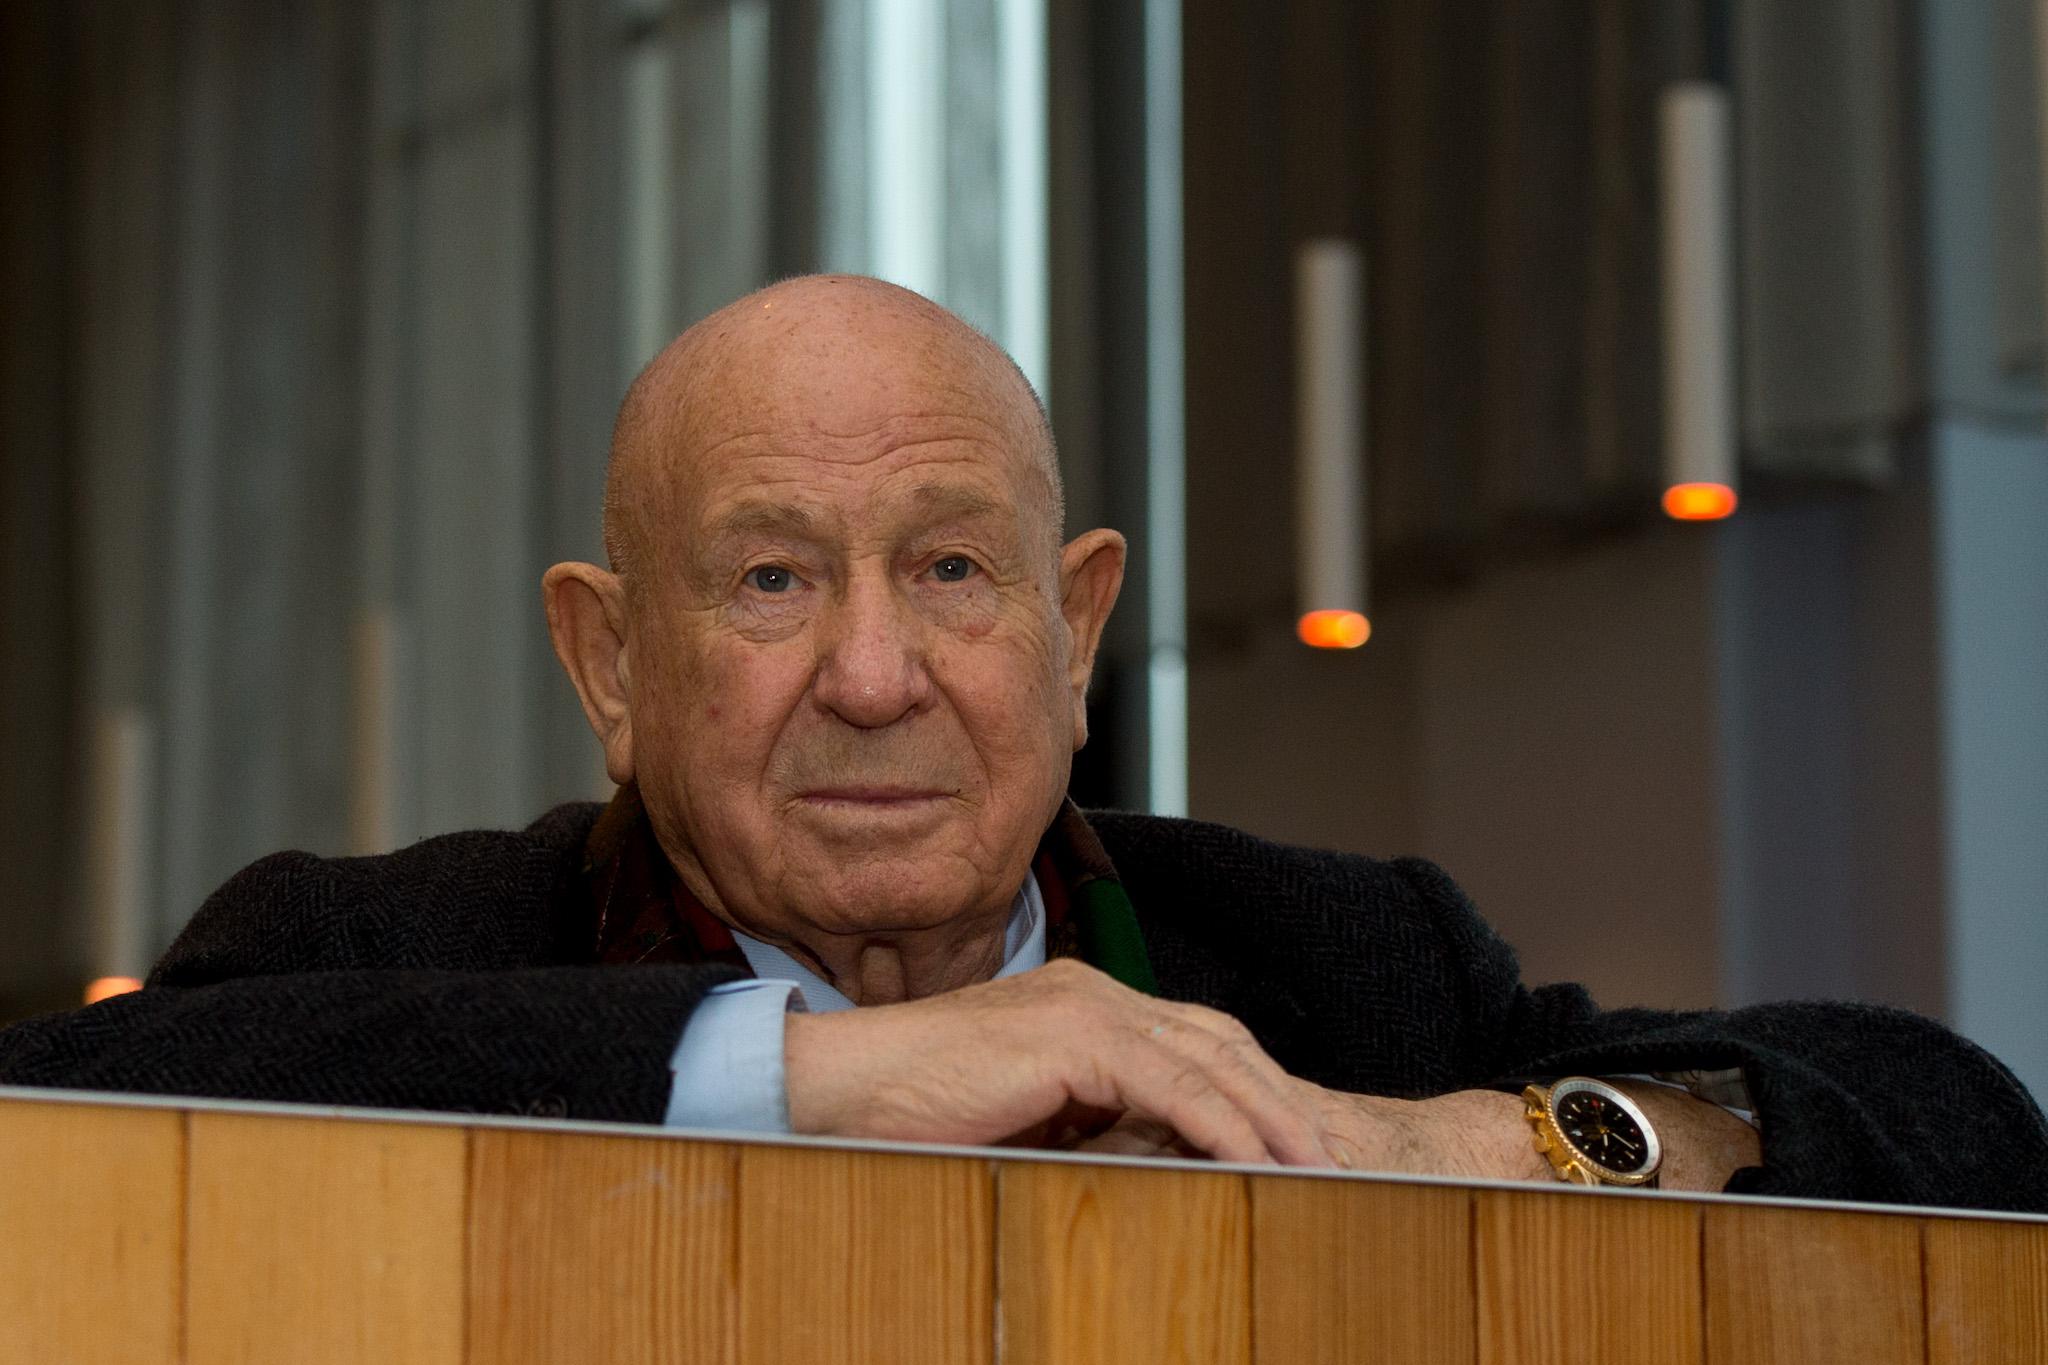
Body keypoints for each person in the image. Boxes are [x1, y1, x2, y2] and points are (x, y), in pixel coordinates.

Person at [3, 276, 2043, 1210]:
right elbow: (59, 1102)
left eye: (956, 571)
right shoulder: (378, 949)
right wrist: (806, 1072)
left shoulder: (1336, 961)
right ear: (610, 661)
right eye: (774, 580)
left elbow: (1955, 1119)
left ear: (1075, 632)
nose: (877, 674)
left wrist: (1472, 1136)